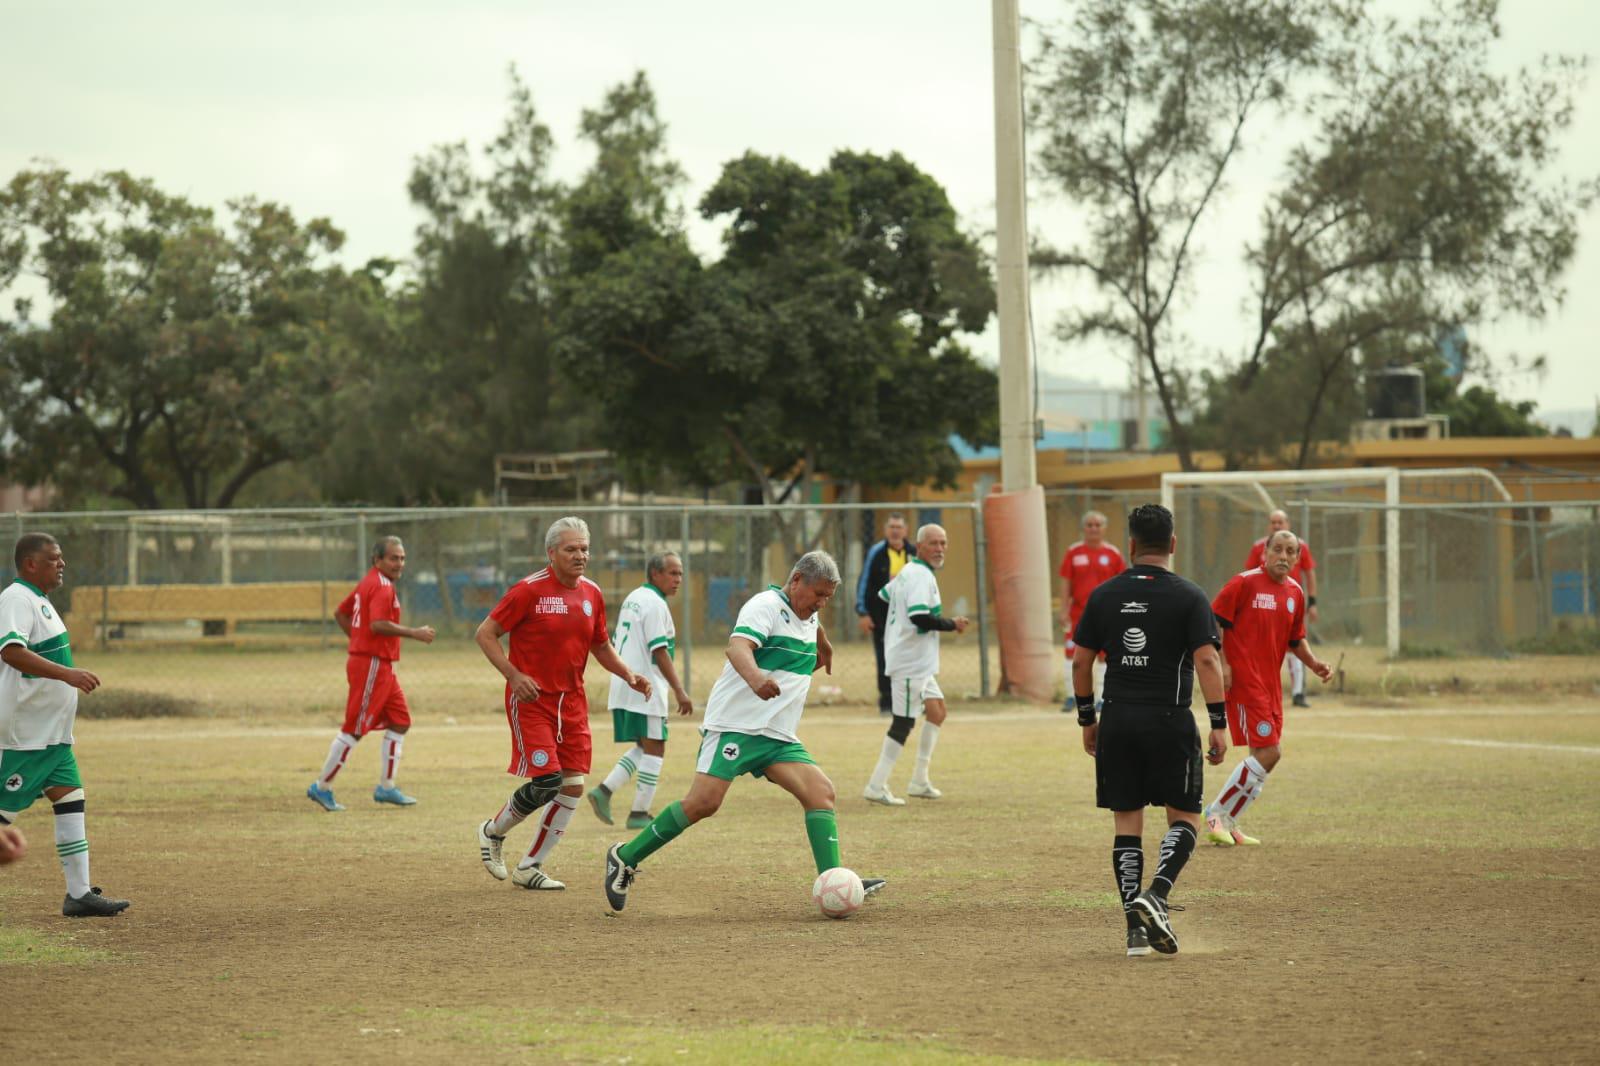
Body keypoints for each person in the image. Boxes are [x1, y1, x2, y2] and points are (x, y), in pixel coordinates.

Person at [602, 552, 886, 913]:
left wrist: (823, 642)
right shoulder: (765, 606)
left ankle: (835, 883)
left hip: (776, 736)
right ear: (796, 580)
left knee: (821, 793)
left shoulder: (809, 613)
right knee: (704, 803)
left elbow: (812, 624)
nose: (821, 603)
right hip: (735, 727)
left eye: (828, 597)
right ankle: (625, 857)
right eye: (818, 594)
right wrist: (756, 679)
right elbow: (737, 647)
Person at [1072, 505, 1228, 957]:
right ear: (1173, 544)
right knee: (1186, 817)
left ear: (1131, 545)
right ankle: (1156, 894)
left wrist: (1088, 719)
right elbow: (1207, 660)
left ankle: (1134, 933)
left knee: (1127, 821)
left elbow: (1081, 662)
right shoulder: (1190, 596)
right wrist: (1218, 723)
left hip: (1117, 720)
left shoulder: (1104, 595)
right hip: (1170, 720)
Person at [474, 517, 651, 891]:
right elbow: (485, 633)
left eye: (584, 548)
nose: (580, 555)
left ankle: (529, 867)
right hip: (533, 701)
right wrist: (514, 675)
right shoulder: (528, 591)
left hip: (572, 704)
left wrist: (628, 674)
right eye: (571, 549)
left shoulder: (592, 593)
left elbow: (600, 645)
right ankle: (492, 832)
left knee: (572, 787)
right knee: (548, 782)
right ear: (551, 552)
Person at [0, 533, 130, 916]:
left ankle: (79, 894)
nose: (62, 564)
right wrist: (67, 674)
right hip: (26, 737)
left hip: (52, 737)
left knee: (71, 799)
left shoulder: (40, 600)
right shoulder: (17, 599)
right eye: (54, 559)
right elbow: (11, 651)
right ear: (30, 564)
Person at [1205, 530, 1333, 848]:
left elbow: (1295, 639)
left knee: (1262, 754)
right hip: (1245, 681)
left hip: (1270, 684)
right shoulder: (1244, 582)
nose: (1283, 556)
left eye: (1290, 551)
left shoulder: (1295, 593)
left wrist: (1314, 663)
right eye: (1277, 549)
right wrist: (1223, 663)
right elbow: (1214, 622)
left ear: (1298, 558)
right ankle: (1216, 813)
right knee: (1270, 752)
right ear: (1265, 551)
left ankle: (1229, 821)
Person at [306, 536, 436, 811]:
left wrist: (358, 641)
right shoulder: (381, 586)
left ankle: (386, 788)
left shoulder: (370, 581)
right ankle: (322, 787)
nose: (399, 563)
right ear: (377, 560)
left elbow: (341, 614)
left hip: (379, 664)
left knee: (400, 721)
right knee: (355, 728)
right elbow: (377, 624)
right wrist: (413, 632)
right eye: (393, 558)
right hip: (372, 665)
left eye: (402, 558)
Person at [587, 552, 695, 831]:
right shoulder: (655, 604)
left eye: (680, 574)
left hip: (626, 680)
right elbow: (659, 651)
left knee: (644, 746)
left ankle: (604, 791)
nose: (678, 579)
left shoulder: (635, 597)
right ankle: (639, 813)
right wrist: (679, 690)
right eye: (672, 573)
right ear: (655, 574)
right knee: (656, 747)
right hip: (644, 686)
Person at [863, 523, 968, 805]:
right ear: (919, 546)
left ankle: (919, 781)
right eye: (933, 543)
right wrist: (952, 624)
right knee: (903, 722)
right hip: (910, 662)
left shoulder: (910, 570)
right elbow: (919, 617)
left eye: (943, 543)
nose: (940, 548)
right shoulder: (919, 575)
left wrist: (894, 629)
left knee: (937, 711)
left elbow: (883, 596)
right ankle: (876, 785)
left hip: (919, 662)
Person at [1244, 510, 1320, 708]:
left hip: (1290, 605)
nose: (1276, 525)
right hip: (1264, 605)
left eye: (1280, 522)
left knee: (1295, 645)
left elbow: (1310, 574)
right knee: (1263, 648)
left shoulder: (1300, 546)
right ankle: (1260, 691)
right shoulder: (1259, 547)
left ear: (1288, 523)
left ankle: (1298, 693)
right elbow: (1247, 576)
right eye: (1273, 522)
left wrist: (1312, 602)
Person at [1058, 511, 1126, 713]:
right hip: (1077, 614)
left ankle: (1102, 699)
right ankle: (1071, 697)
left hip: (1106, 615)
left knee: (1105, 655)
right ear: (1083, 528)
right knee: (1072, 654)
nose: (1093, 528)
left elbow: (1122, 584)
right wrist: (1063, 610)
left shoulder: (1113, 554)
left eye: (1097, 525)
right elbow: (1065, 582)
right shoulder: (1073, 552)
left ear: (1104, 528)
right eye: (1089, 525)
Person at [855, 513, 916, 714]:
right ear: (885, 530)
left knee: (911, 660)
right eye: (892, 527)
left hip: (909, 619)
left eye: (899, 527)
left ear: (906, 530)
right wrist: (863, 612)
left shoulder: (913, 554)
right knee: (885, 661)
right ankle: (887, 703)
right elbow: (864, 582)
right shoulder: (876, 553)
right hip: (882, 618)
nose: (895, 531)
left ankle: (912, 701)